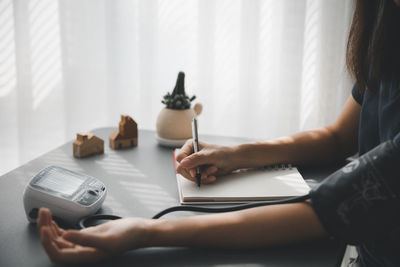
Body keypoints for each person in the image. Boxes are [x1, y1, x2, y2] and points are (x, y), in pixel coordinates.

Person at [37, 0, 400, 266]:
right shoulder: (388, 25)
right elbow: (339, 137)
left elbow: (317, 216)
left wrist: (143, 232)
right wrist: (235, 156)